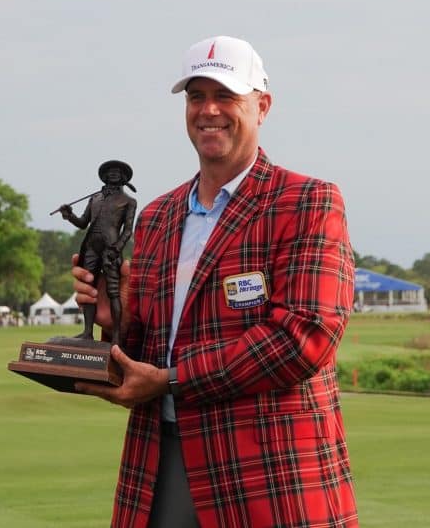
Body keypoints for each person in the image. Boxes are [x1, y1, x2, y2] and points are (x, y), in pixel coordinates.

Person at [72, 35, 358, 527]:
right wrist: (113, 322)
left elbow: (305, 337)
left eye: (226, 95)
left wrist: (172, 380)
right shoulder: (160, 215)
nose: (209, 110)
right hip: (159, 464)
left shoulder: (307, 202)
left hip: (268, 474)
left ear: (261, 106)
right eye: (196, 96)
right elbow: (149, 349)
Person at [59, 160, 137, 346]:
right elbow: (83, 223)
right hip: (91, 247)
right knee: (89, 288)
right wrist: (69, 215)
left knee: (113, 292)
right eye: (110, 172)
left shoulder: (128, 201)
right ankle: (87, 332)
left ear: (123, 178)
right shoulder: (95, 198)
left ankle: (117, 336)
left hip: (111, 250)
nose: (113, 174)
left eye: (117, 172)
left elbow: (127, 231)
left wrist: (116, 249)